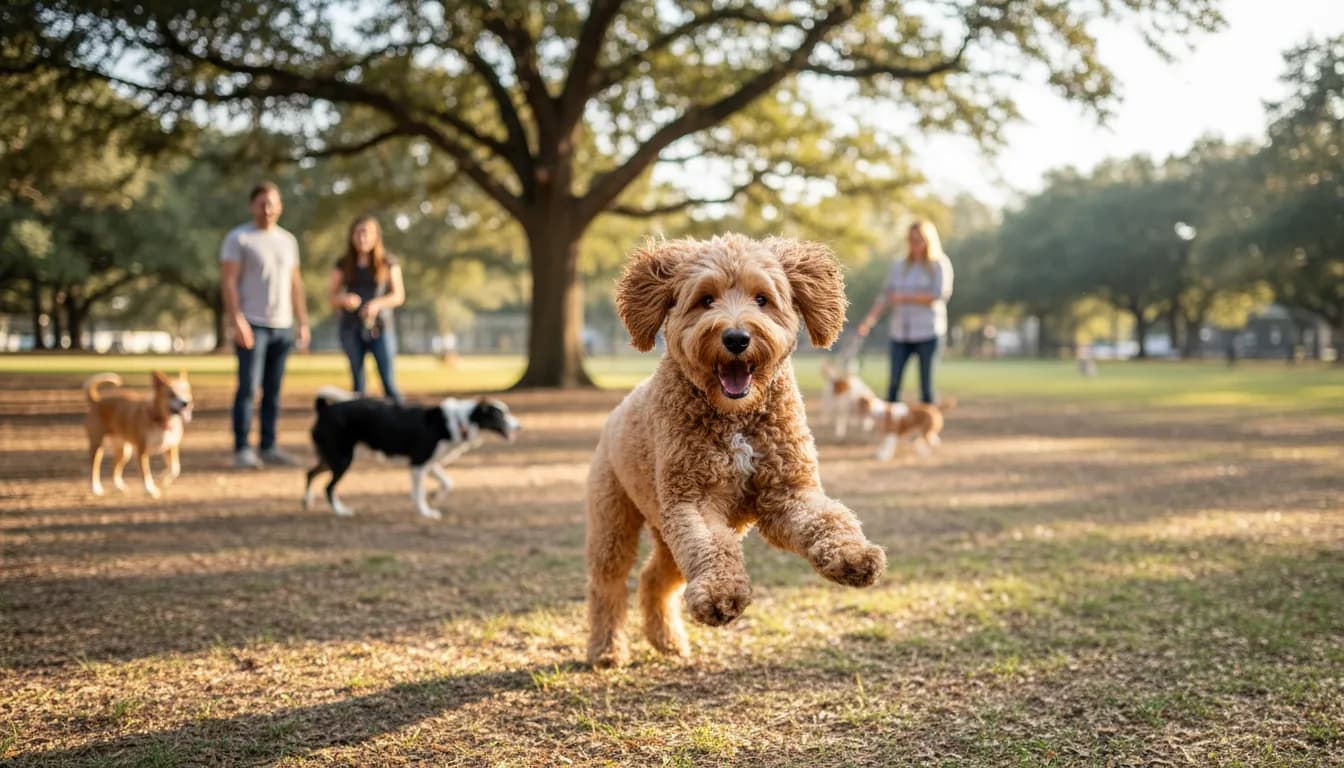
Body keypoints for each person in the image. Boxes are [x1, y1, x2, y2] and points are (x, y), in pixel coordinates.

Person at [220, 181, 310, 469]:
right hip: (253, 324)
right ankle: (242, 448)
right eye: (262, 203)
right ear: (252, 205)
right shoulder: (239, 238)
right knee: (248, 387)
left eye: (273, 203)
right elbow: (229, 282)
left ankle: (269, 445)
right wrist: (237, 320)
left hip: (282, 325)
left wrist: (302, 322)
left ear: (280, 206)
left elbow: (296, 284)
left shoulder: (288, 241)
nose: (268, 209)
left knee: (274, 390)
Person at [857, 219, 954, 404]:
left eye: (918, 240)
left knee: (926, 386)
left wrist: (904, 297)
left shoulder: (939, 264)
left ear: (928, 240)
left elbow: (939, 295)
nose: (914, 244)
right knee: (893, 383)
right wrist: (869, 321)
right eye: (911, 239)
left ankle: (927, 429)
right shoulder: (899, 266)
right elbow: (885, 296)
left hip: (928, 332)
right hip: (900, 332)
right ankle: (892, 429)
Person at [327, 216, 405, 403]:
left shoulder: (388, 262)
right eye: (358, 233)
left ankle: (401, 423)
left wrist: (377, 304)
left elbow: (398, 295)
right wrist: (345, 299)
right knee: (358, 383)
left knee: (388, 382)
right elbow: (331, 297)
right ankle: (361, 427)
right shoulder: (343, 263)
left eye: (367, 233)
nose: (362, 238)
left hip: (381, 327)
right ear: (352, 236)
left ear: (376, 236)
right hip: (351, 328)